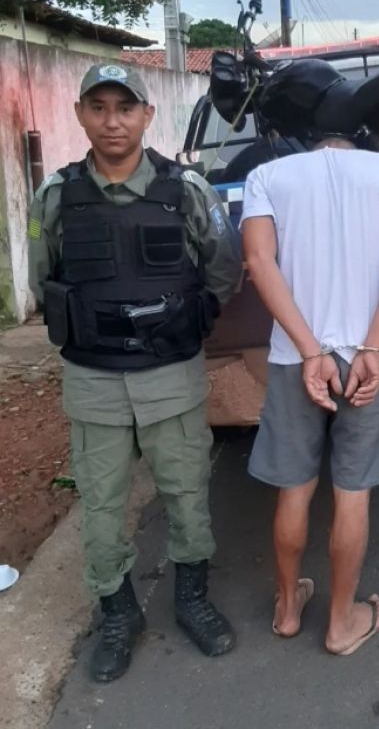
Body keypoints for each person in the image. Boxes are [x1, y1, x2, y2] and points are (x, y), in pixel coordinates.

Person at [27, 63, 243, 682]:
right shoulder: (55, 196)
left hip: (170, 376)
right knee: (100, 509)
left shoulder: (188, 190)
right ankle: (119, 613)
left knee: (187, 497)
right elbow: (43, 275)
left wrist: (187, 317)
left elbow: (224, 268)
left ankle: (192, 599)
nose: (112, 121)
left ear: (148, 116)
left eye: (126, 107)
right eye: (98, 107)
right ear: (80, 115)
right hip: (93, 379)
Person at [241, 134, 379, 655]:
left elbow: (258, 260)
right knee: (353, 491)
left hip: (296, 358)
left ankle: (287, 609)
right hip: (367, 356)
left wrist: (309, 350)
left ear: (317, 149)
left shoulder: (266, 177)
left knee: (294, 488)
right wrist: (373, 344)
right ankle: (342, 623)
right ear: (348, 148)